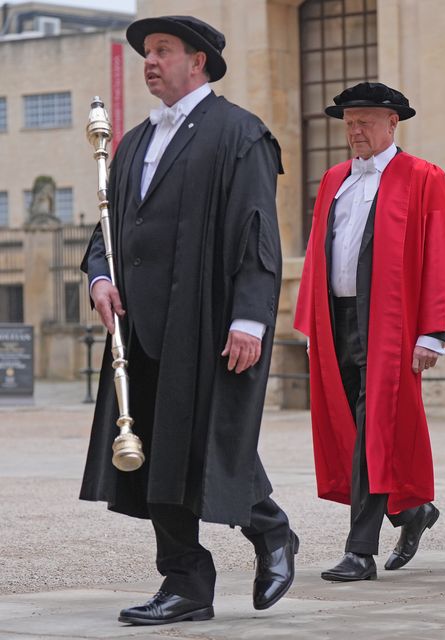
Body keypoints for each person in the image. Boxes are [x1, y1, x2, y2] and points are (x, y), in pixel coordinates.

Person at [81, 15, 296, 625]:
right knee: (149, 451)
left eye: (162, 51)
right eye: (147, 52)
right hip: (138, 326)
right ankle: (185, 584)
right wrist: (99, 276)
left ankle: (271, 531)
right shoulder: (131, 143)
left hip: (205, 318)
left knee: (207, 443)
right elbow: (108, 229)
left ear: (197, 60)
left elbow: (258, 234)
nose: (150, 61)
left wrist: (251, 320)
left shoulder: (240, 134)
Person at [293, 82, 445, 581]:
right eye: (349, 122)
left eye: (365, 121)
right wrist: (312, 323)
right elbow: (316, 254)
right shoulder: (333, 180)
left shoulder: (424, 177)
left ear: (393, 123)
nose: (355, 131)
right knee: (351, 428)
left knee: (376, 428)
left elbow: (440, 254)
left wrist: (434, 331)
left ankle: (359, 551)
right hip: (338, 318)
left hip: (392, 324)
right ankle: (413, 513)